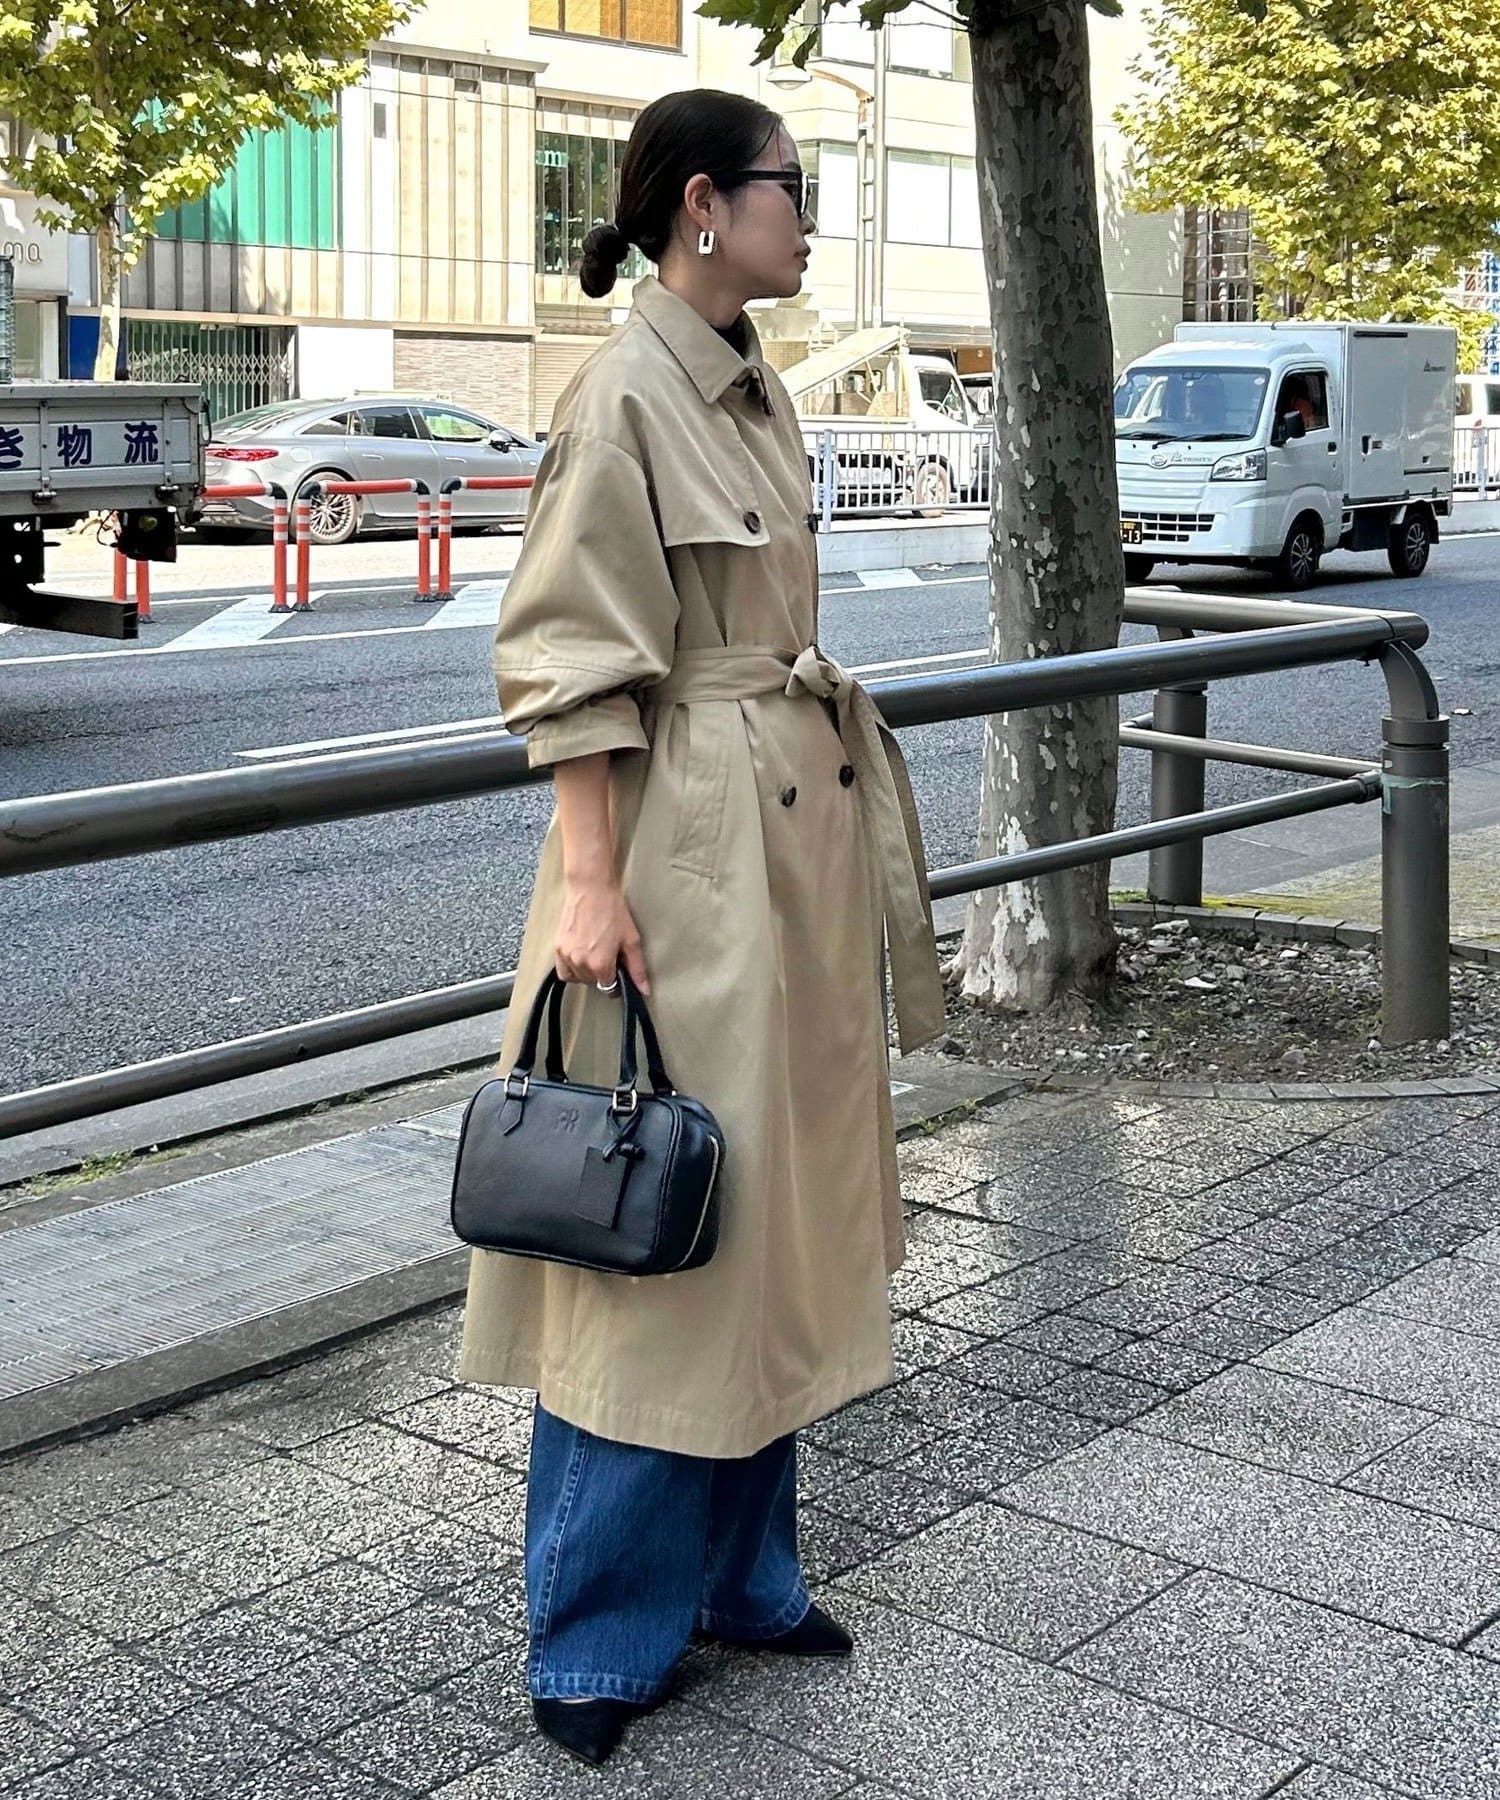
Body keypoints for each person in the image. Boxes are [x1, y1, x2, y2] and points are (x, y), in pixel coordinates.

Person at [456, 88, 945, 1768]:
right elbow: (567, 660)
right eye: (789, 187)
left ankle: (744, 1580)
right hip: (680, 860)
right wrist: (591, 884)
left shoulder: (754, 383)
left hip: (783, 851)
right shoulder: (622, 398)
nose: (808, 216)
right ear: (700, 208)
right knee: (655, 1232)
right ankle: (596, 1637)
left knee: (771, 1227)